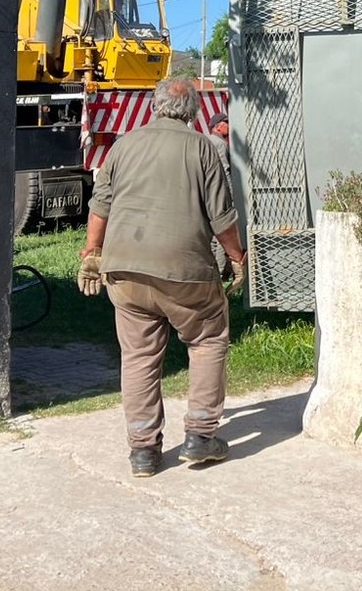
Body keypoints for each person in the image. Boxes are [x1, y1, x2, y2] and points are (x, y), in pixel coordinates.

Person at [75, 77, 247, 479]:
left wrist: (91, 254)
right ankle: (201, 436)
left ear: (154, 107)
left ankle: (143, 451)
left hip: (125, 271)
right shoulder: (203, 148)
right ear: (193, 114)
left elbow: (100, 207)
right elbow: (222, 218)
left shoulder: (123, 145)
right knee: (207, 341)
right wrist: (237, 257)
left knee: (138, 358)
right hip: (185, 272)